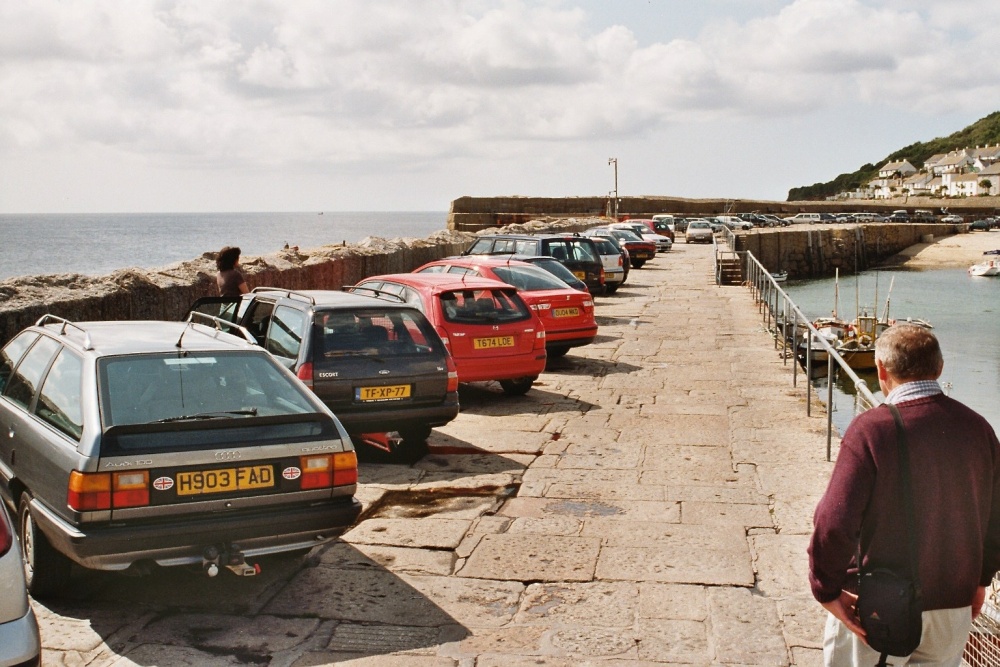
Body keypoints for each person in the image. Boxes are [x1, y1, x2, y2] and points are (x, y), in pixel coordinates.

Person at [809, 324, 1000, 666]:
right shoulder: (979, 428)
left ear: (881, 369)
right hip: (951, 605)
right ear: (939, 368)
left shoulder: (871, 430)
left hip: (876, 605)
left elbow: (834, 521)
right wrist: (980, 580)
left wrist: (826, 588)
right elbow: (996, 520)